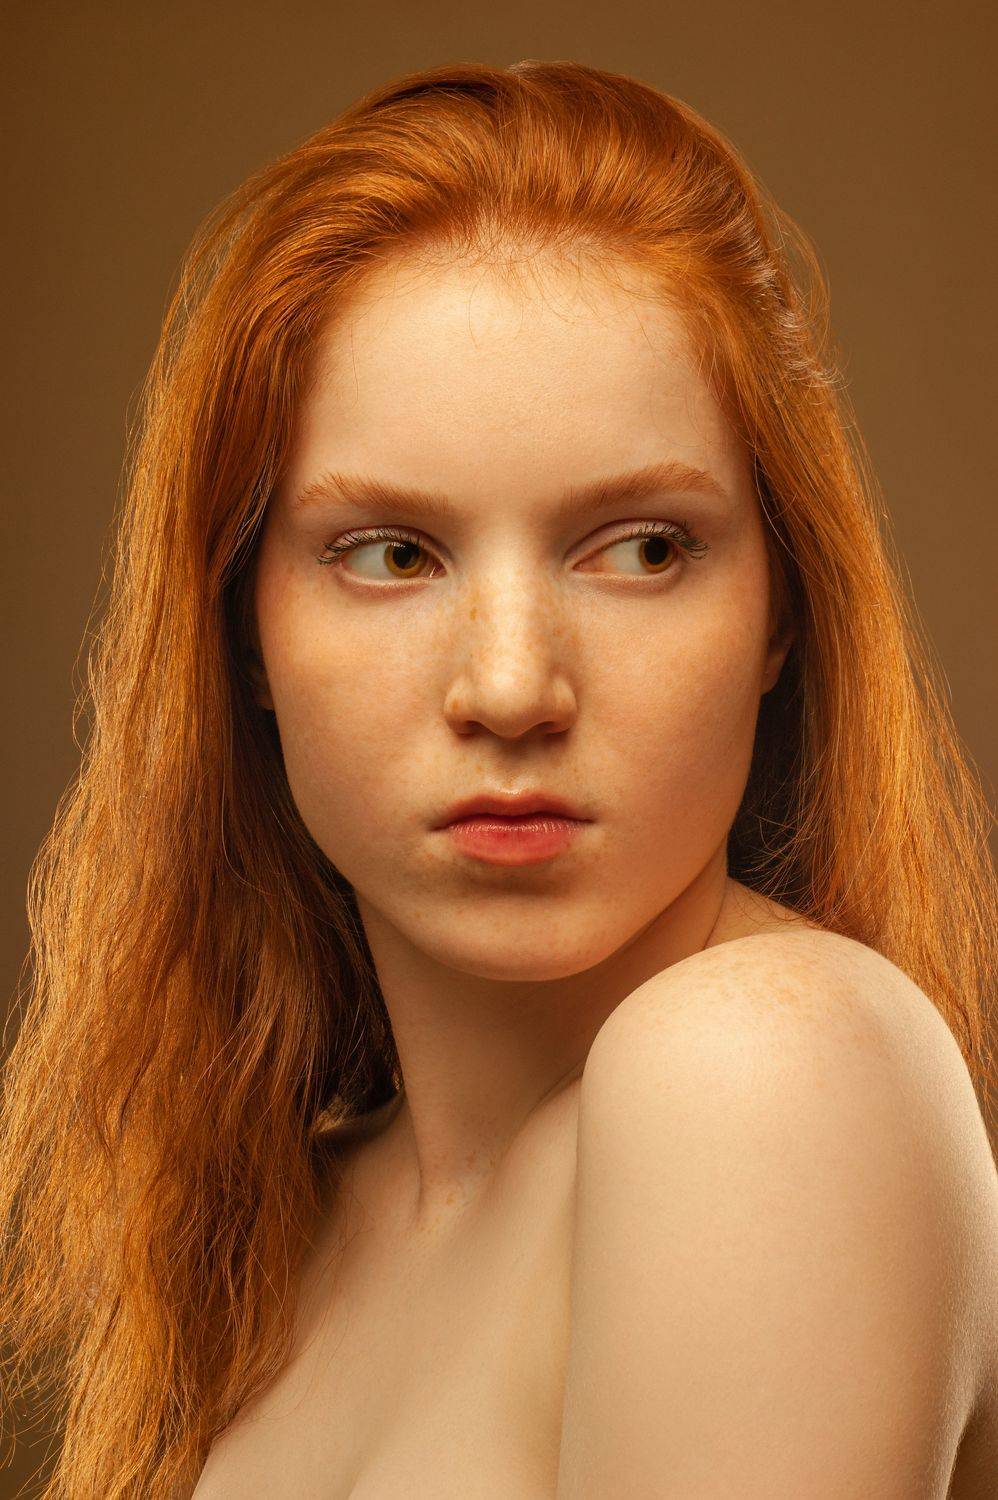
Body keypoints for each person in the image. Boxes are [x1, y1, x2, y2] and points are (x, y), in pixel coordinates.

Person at [1, 59, 995, 1500]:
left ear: (782, 610)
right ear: (244, 629)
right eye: (391, 555)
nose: (514, 688)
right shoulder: (293, 1210)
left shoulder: (762, 1072)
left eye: (641, 548)